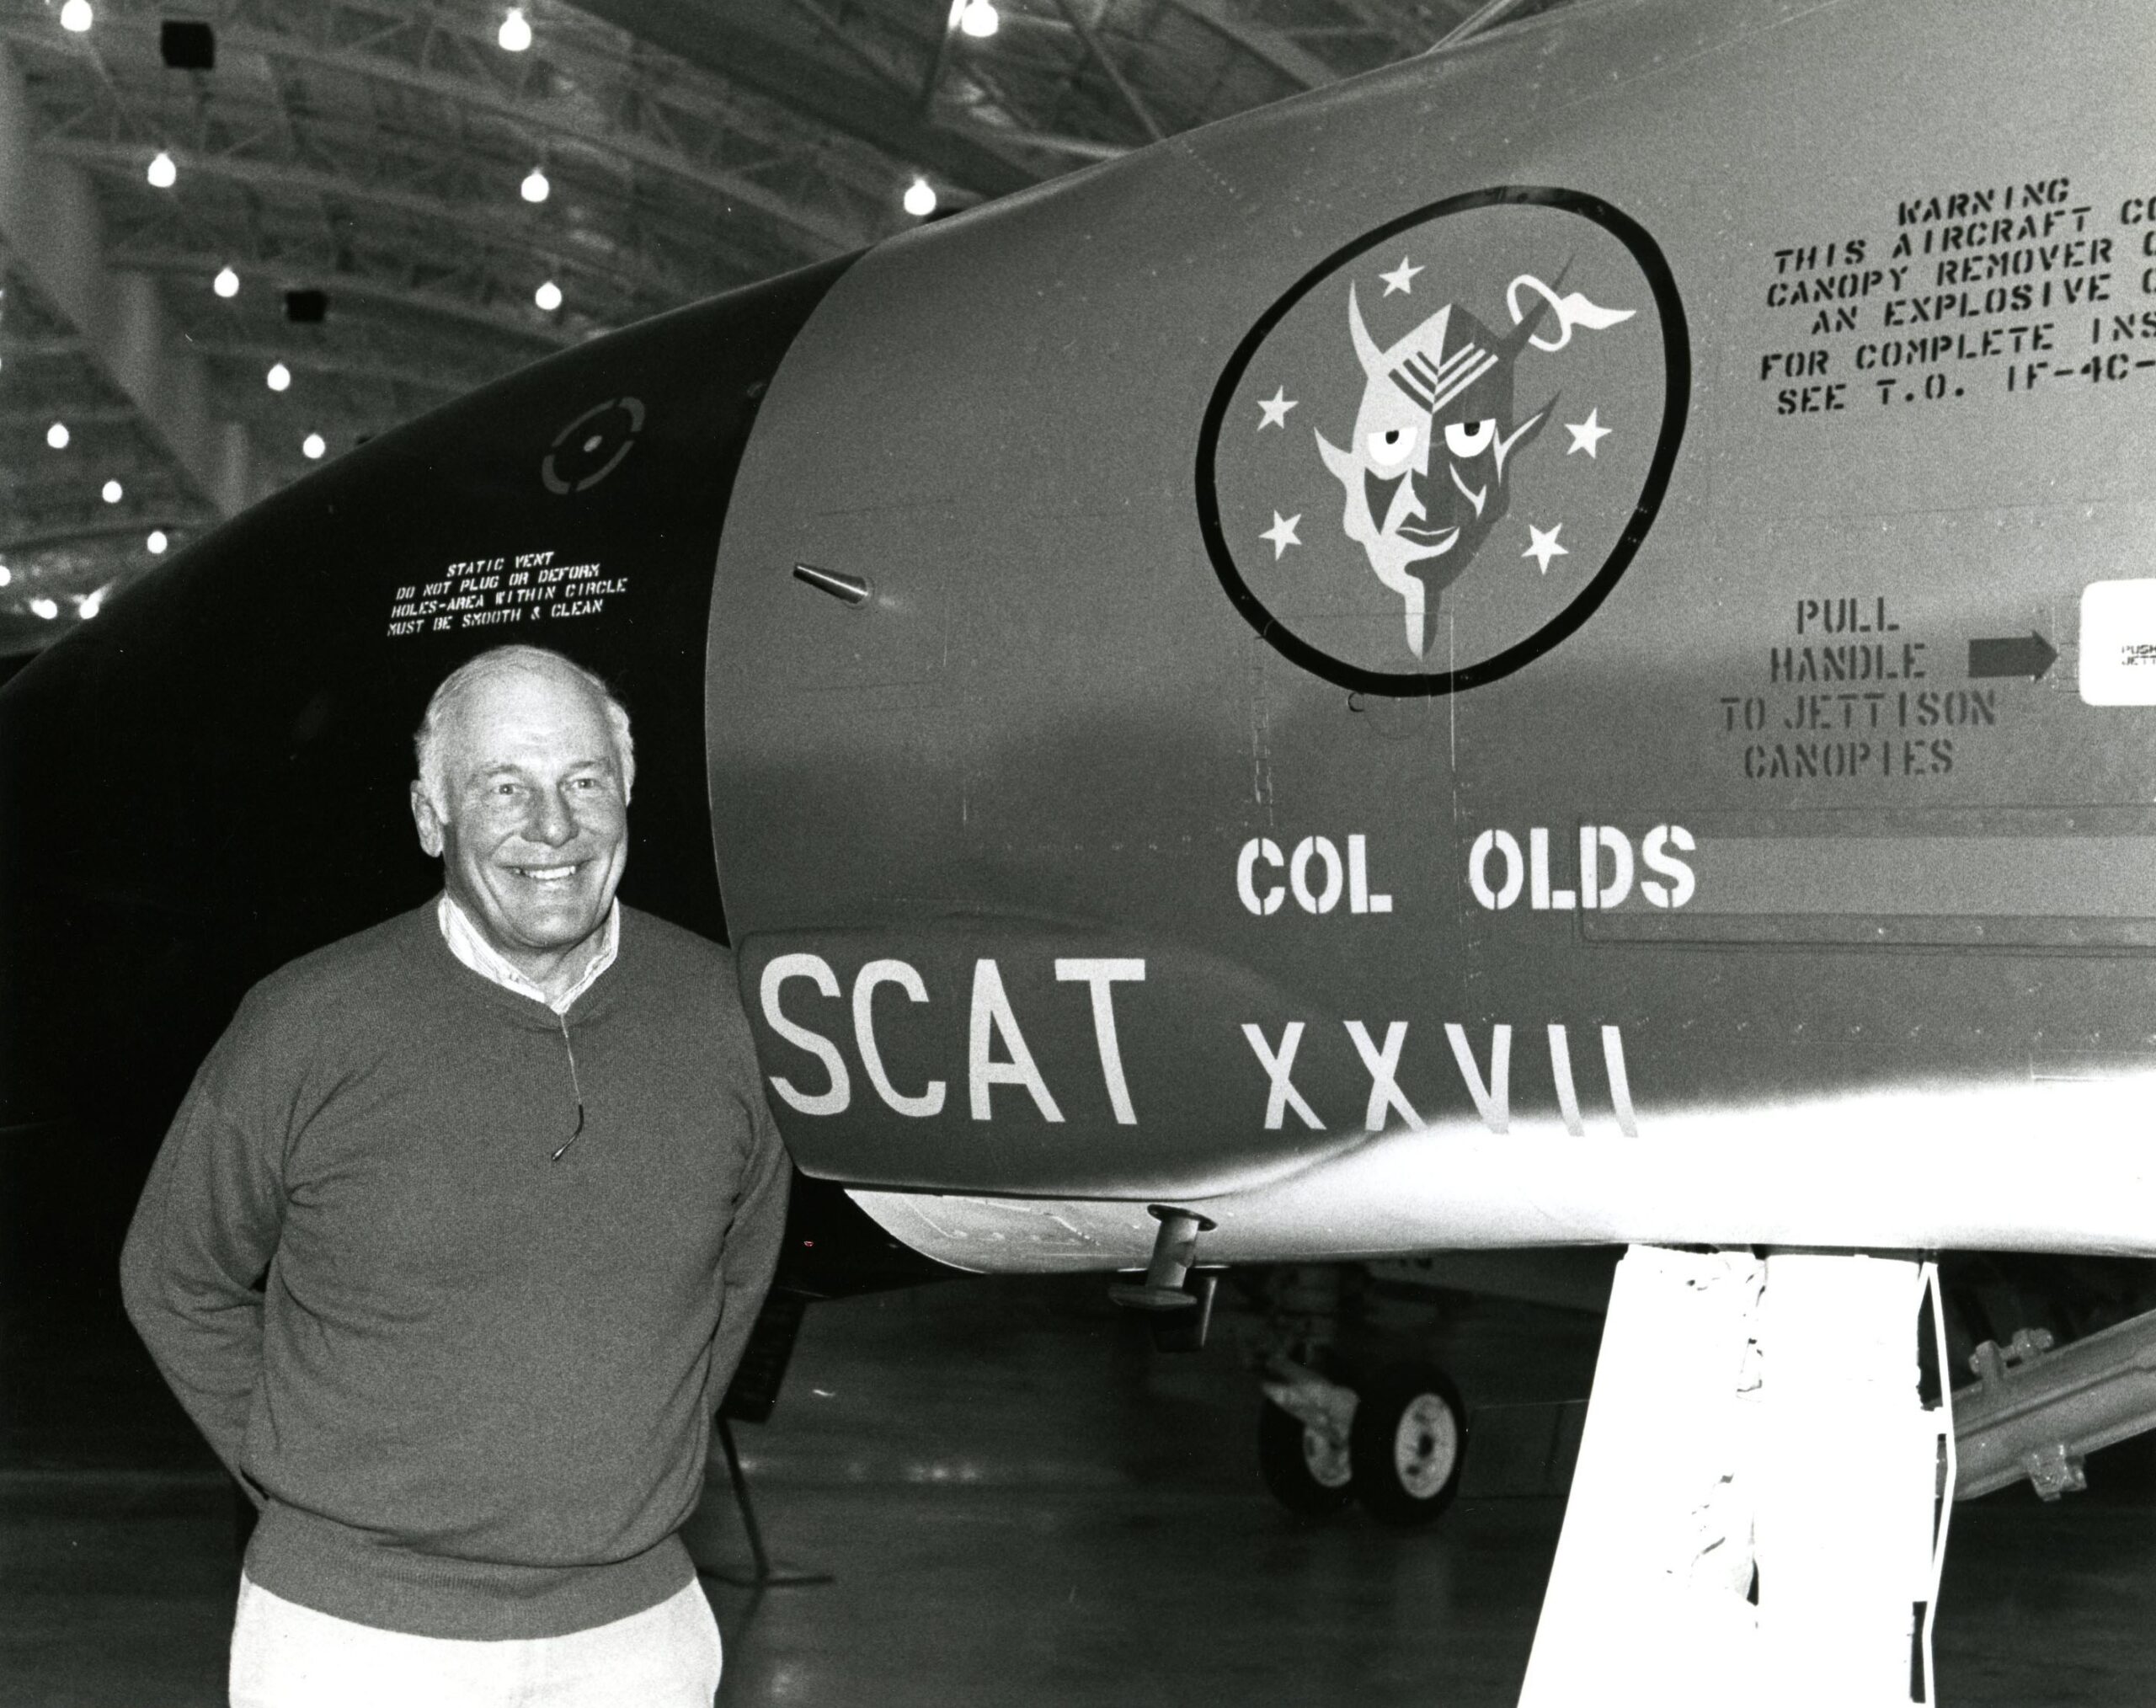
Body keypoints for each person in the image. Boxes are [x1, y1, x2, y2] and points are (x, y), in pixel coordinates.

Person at [120, 644, 790, 1707]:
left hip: (637, 1641)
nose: (553, 828)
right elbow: (173, 1275)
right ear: (431, 817)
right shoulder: (306, 1024)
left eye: (584, 782)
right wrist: (318, 1486)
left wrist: (620, 1476)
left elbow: (736, 1279)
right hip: (349, 1642)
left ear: (627, 795)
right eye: (503, 788)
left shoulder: (728, 1019)